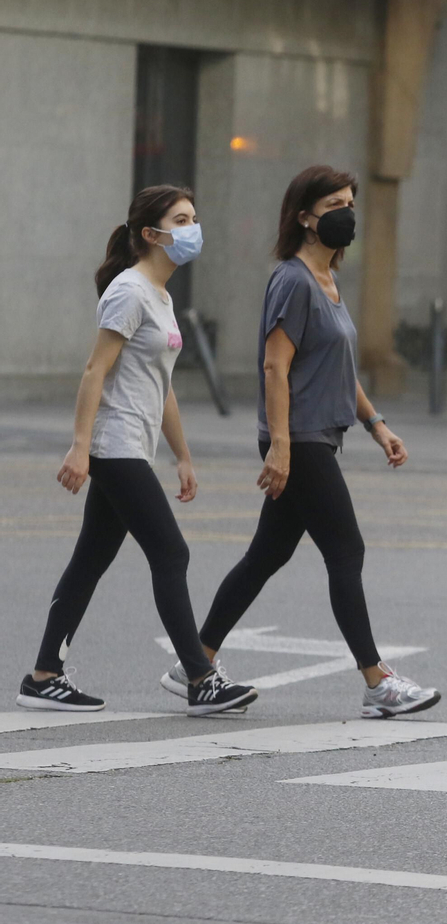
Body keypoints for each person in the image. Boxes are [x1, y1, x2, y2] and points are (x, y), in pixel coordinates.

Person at [161, 166, 440, 719]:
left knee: (267, 555)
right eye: (335, 202)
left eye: (351, 202)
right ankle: (377, 683)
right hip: (301, 440)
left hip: (316, 435)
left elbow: (337, 368)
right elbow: (274, 366)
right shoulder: (292, 279)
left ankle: (193, 665)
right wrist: (281, 446)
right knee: (346, 550)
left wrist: (376, 424)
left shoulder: (328, 281)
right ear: (305, 217)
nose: (347, 212)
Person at [18, 186, 258, 717]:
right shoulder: (129, 291)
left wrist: (183, 456)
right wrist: (81, 448)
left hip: (135, 447)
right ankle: (200, 678)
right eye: (181, 219)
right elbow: (94, 370)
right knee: (171, 553)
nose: (193, 228)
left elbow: (162, 385)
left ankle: (43, 676)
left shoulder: (162, 297)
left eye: (194, 217)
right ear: (152, 234)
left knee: (89, 561)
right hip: (115, 445)